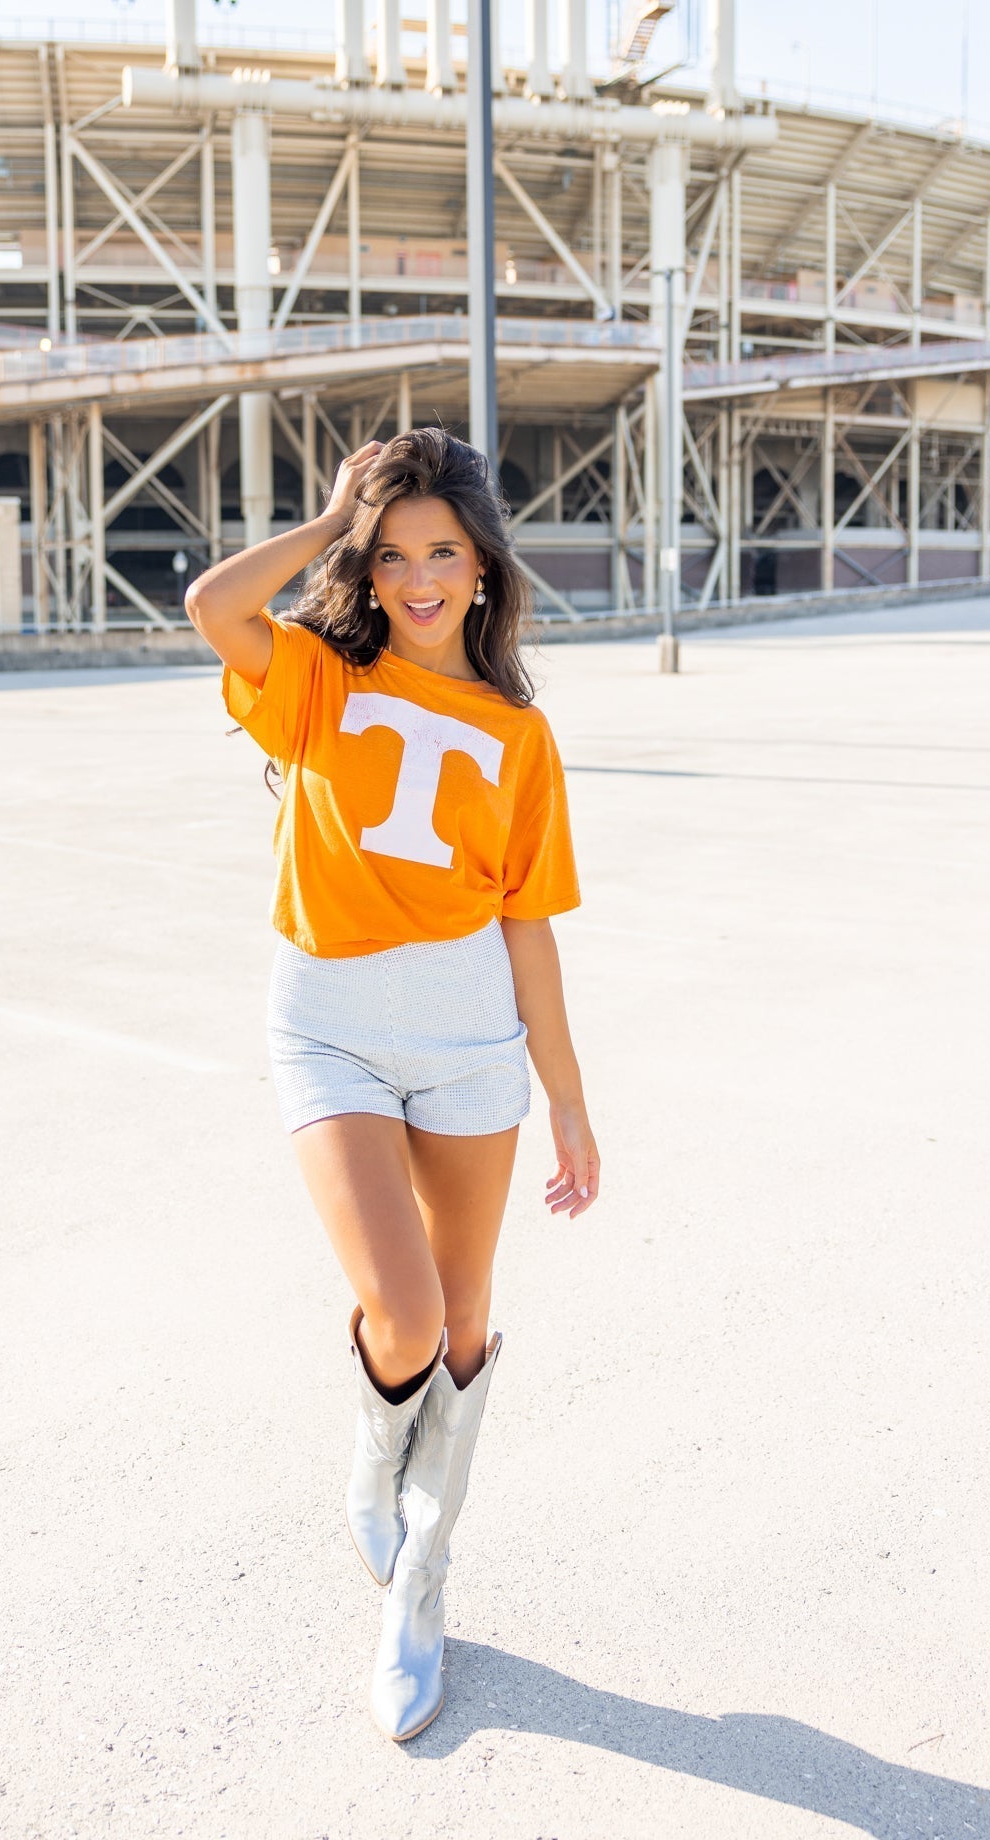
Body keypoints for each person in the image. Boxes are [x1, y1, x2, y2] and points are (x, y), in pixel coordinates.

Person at [185, 426, 601, 1742]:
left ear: (482, 569)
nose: (420, 579)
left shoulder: (520, 736)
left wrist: (572, 1102)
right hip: (332, 1026)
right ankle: (378, 1458)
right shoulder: (315, 678)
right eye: (396, 555)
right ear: (371, 567)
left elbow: (530, 925)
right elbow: (211, 605)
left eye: (444, 553)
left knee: (468, 1320)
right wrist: (330, 520)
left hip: (475, 1041)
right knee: (407, 1315)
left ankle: (419, 1586)